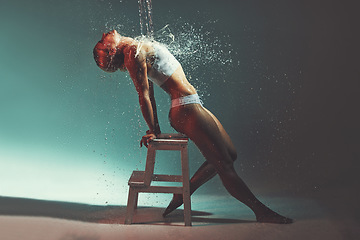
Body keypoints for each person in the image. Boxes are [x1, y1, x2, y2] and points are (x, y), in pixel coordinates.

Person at [93, 30, 293, 224]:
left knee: (230, 155)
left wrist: (155, 127)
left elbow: (149, 90)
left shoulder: (133, 47)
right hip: (185, 108)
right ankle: (261, 211)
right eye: (102, 42)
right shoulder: (131, 54)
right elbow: (144, 94)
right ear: (111, 51)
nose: (103, 35)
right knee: (224, 164)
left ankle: (182, 194)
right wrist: (154, 130)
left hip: (190, 103)